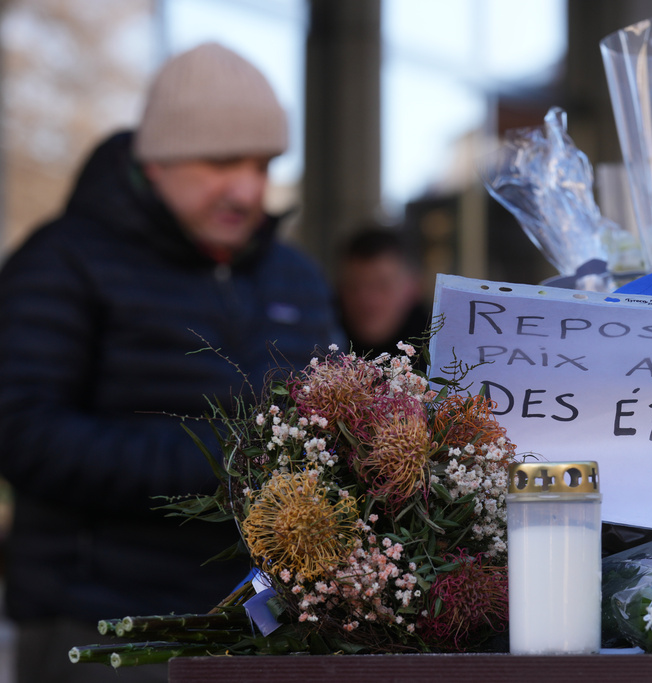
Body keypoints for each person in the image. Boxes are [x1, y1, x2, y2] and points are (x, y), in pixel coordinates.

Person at [0, 43, 342, 682]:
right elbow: (21, 431)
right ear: (155, 160)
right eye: (220, 161)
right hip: (103, 630)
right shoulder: (63, 261)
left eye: (263, 164)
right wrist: (227, 463)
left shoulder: (296, 277)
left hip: (268, 628)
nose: (247, 188)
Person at [334, 225, 431, 359]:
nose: (367, 300)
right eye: (354, 286)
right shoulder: (317, 342)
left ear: (413, 288)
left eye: (383, 286)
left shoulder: (443, 357)